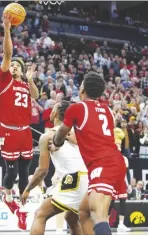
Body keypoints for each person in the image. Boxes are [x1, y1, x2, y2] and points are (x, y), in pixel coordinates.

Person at [51, 72, 127, 235]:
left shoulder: (77, 108)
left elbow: (62, 132)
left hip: (103, 164)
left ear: (83, 89)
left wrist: (57, 143)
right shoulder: (107, 110)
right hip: (113, 161)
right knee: (83, 212)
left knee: (98, 215)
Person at [20, 101, 89, 235]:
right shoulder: (80, 132)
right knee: (71, 218)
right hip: (89, 179)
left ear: (56, 112)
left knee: (40, 214)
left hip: (74, 179)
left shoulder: (48, 136)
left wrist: (28, 189)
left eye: (52, 109)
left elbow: (43, 170)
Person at [0, 13, 39, 230]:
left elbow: (36, 95)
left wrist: (30, 80)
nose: (13, 67)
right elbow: (7, 53)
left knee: (25, 173)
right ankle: (6, 196)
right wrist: (7, 29)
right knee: (11, 172)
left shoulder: (25, 84)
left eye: (17, 66)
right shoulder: (5, 80)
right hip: (9, 131)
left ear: (22, 71)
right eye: (11, 65)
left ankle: (22, 210)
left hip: (25, 132)